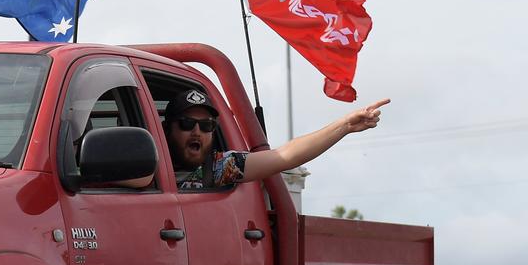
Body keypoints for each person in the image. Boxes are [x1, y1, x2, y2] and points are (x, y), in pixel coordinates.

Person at [166, 89, 389, 190]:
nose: (197, 131)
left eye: (206, 126)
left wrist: (345, 125)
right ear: (167, 128)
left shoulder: (218, 167)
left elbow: (283, 156)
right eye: (187, 123)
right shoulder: (148, 162)